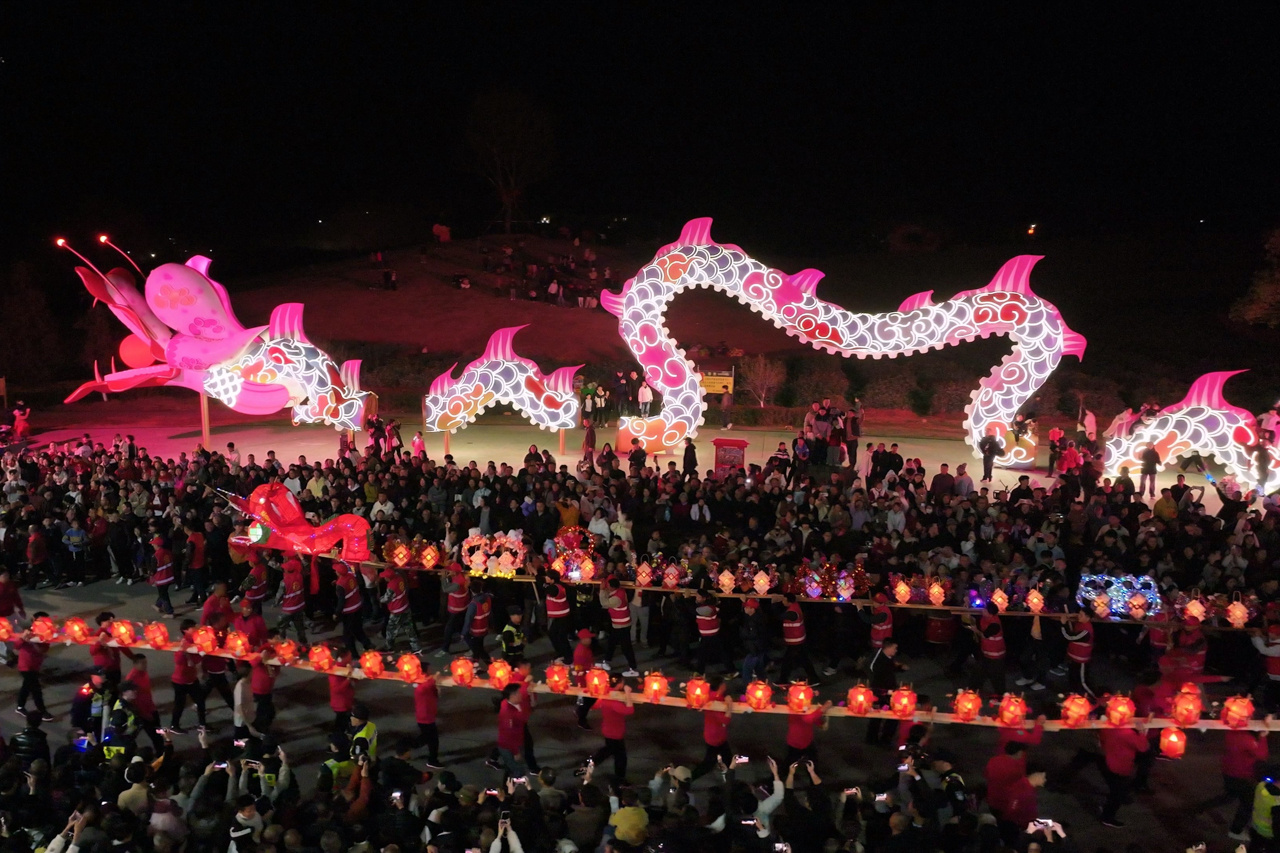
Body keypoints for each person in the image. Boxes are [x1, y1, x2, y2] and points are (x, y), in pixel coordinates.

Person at [587, 682, 635, 780]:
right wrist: (628, 693)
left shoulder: (605, 695)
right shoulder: (614, 703)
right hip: (615, 733)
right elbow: (630, 710)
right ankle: (619, 779)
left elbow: (594, 705)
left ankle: (588, 765)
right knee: (620, 757)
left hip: (608, 730)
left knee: (608, 751)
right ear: (620, 684)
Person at [14, 615, 53, 721]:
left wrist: (32, 642)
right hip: (25, 666)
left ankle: (20, 707)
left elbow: (43, 650)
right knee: (36, 690)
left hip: (35, 667)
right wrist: (23, 638)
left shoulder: (46, 635)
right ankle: (42, 711)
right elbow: (17, 645)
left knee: (26, 687)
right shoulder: (26, 632)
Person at [599, 578, 639, 677]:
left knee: (626, 647)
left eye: (608, 586)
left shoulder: (617, 598)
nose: (607, 587)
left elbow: (604, 603)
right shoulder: (620, 591)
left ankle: (633, 668)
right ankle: (607, 661)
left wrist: (601, 590)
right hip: (618, 624)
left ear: (612, 587)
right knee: (611, 643)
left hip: (621, 625)